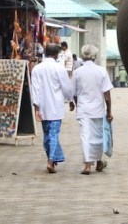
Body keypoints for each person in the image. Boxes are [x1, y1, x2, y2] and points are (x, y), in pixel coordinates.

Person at [30, 43, 75, 173]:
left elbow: (35, 89)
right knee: (53, 134)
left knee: (47, 135)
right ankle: (51, 161)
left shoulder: (37, 69)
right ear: (56, 55)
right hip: (56, 107)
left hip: (43, 107)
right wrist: (71, 100)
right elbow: (66, 87)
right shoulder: (59, 68)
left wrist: (36, 108)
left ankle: (52, 159)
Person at [73, 44, 113, 175]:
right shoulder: (101, 71)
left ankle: (88, 165)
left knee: (85, 136)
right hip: (98, 109)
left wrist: (77, 105)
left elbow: (74, 93)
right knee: (98, 136)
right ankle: (99, 161)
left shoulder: (77, 72)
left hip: (83, 109)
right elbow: (106, 94)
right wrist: (109, 111)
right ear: (94, 57)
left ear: (83, 56)